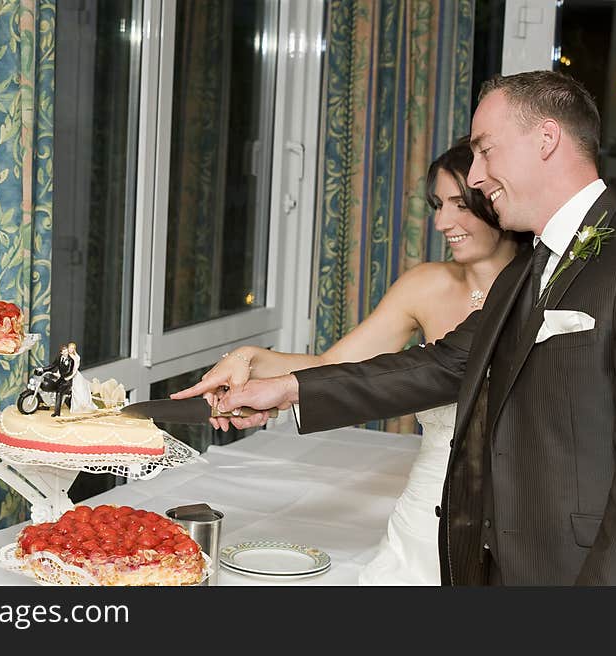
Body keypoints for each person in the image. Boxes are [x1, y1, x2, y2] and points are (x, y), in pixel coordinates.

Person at [212, 71, 616, 586]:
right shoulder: (529, 268)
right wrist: (287, 388)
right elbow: (440, 364)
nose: (478, 175)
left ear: (546, 139)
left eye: (486, 150)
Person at [173, 138, 523, 584]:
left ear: (491, 199)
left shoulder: (538, 286)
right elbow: (334, 363)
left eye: (459, 204)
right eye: (437, 205)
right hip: (429, 504)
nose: (442, 222)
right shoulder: (425, 285)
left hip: (517, 509)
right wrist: (247, 360)